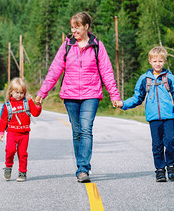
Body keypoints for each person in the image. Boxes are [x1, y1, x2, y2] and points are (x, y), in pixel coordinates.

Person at [35, 11, 120, 183]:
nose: (74, 31)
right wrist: (42, 93)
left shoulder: (97, 46)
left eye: (77, 27)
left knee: (86, 129)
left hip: (91, 94)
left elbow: (107, 71)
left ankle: (83, 169)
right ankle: (81, 167)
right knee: (77, 132)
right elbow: (54, 70)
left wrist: (114, 95)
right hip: (71, 95)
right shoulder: (67, 45)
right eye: (72, 28)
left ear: (86, 26)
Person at [113, 46, 174, 182]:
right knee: (157, 145)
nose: (158, 64)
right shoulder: (144, 79)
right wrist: (123, 103)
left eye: (160, 61)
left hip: (169, 116)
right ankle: (160, 170)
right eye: (155, 61)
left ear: (165, 61)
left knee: (170, 142)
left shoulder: (170, 78)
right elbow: (137, 98)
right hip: (153, 118)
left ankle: (171, 166)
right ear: (150, 61)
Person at [0, 77, 42, 182]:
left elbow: (35, 113)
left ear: (25, 92)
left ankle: (22, 173)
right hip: (12, 133)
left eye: (22, 92)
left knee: (22, 154)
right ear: (11, 92)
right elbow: (3, 120)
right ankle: (8, 167)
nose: (19, 95)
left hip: (24, 134)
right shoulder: (7, 105)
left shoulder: (28, 102)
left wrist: (39, 106)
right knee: (10, 151)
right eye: (17, 92)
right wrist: (1, 132)